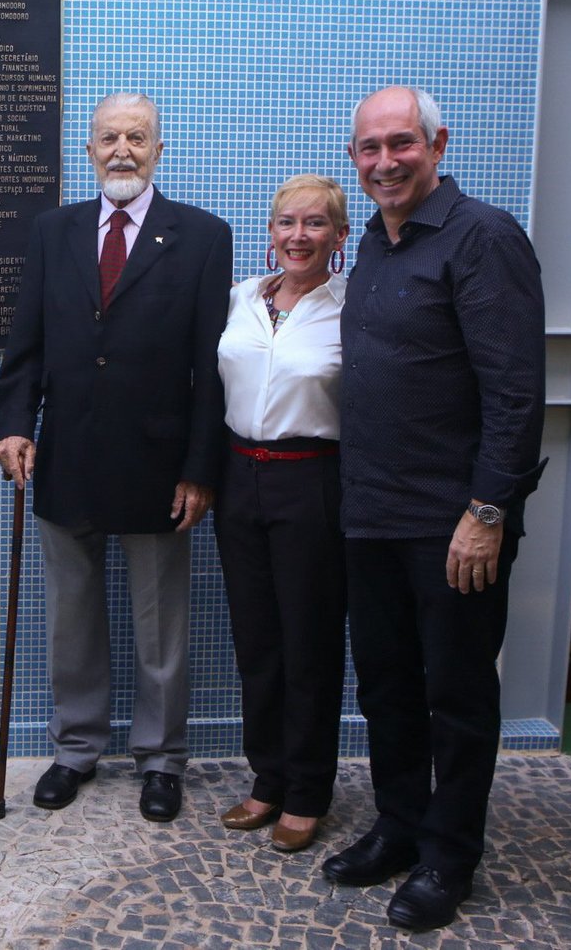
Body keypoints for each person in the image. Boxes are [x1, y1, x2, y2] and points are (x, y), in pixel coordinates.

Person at [322, 86, 545, 931]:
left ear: (437, 143)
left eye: (401, 143)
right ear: (355, 159)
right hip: (371, 514)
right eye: (370, 148)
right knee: (385, 688)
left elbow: (516, 390)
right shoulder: (376, 248)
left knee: (454, 694)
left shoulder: (482, 237)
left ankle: (450, 855)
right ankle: (400, 825)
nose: (386, 160)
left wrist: (488, 509)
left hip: (454, 524)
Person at [0, 92, 232, 822]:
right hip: (66, 454)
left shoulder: (200, 235)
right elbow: (26, 341)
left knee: (161, 621)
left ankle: (161, 757)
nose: (122, 149)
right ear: (90, 150)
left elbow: (209, 363)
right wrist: (14, 424)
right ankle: (76, 748)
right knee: (71, 614)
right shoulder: (53, 230)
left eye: (137, 136)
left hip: (160, 465)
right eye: (108, 138)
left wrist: (201, 465)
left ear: (160, 149)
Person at [214, 174, 349, 854]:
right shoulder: (241, 298)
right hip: (239, 479)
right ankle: (267, 778)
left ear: (339, 236)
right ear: (271, 234)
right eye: (287, 223)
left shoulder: (351, 307)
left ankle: (308, 791)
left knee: (310, 644)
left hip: (311, 481)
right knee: (257, 642)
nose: (299, 236)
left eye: (316, 224)